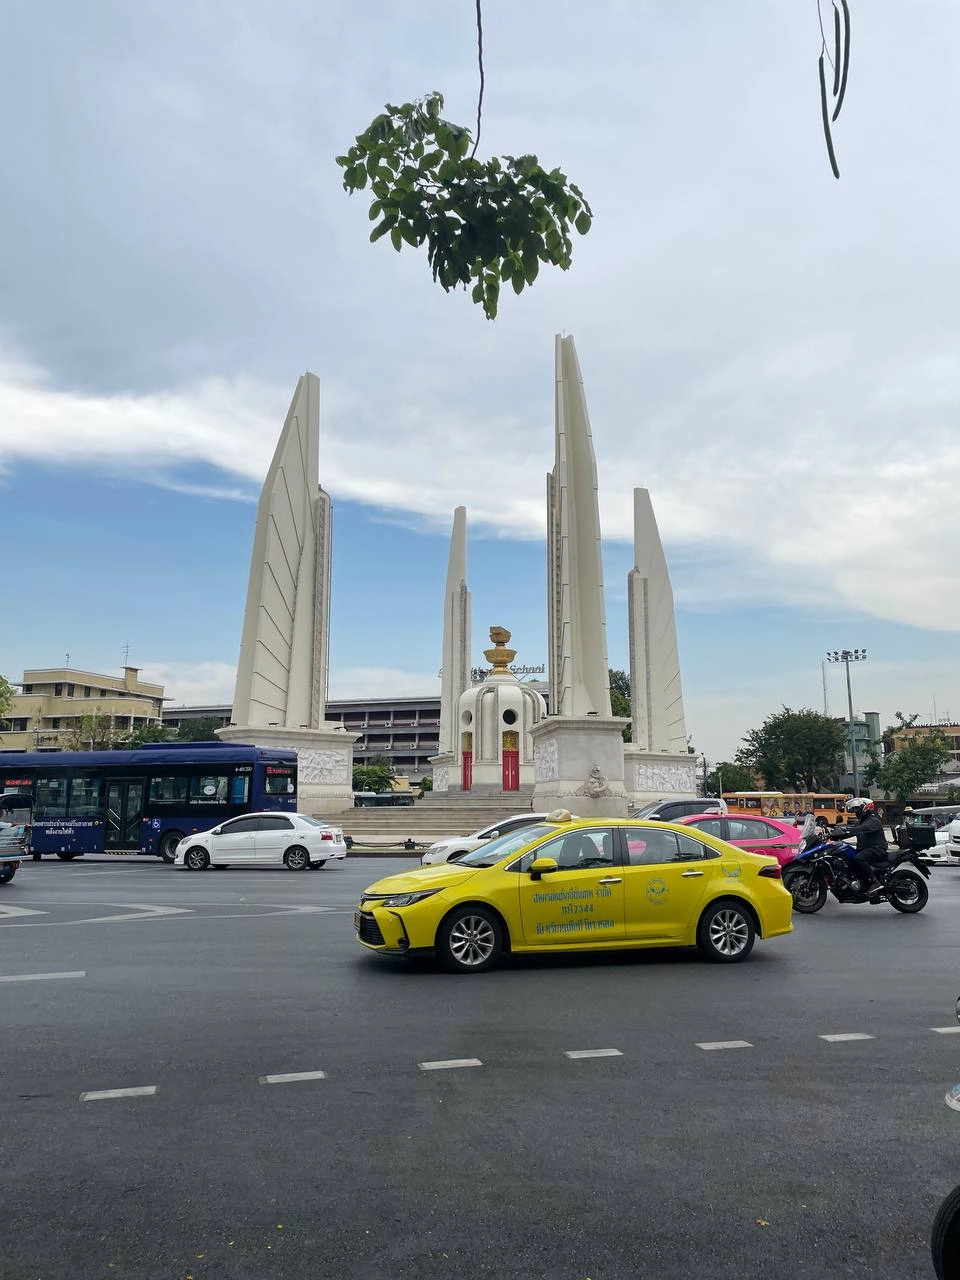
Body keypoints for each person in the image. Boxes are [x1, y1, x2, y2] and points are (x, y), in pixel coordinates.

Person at [842, 797, 888, 895]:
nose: (855, 812)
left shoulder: (873, 820)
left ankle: (875, 882)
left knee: (859, 858)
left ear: (864, 808)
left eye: (856, 809)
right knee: (848, 856)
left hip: (877, 848)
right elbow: (853, 829)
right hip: (866, 848)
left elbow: (860, 829)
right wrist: (834, 835)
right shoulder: (861, 822)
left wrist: (846, 830)